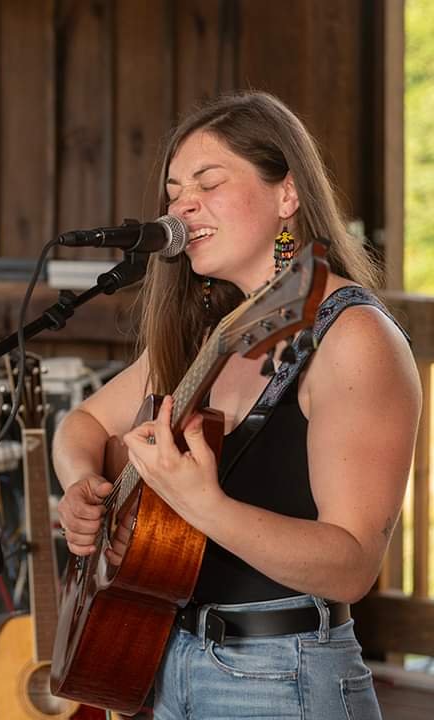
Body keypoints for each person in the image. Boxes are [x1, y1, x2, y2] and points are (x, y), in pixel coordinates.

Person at [53, 91, 421, 719]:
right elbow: (82, 422)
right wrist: (84, 486)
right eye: (173, 191)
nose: (182, 204)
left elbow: (352, 564)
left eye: (208, 182)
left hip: (282, 676)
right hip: (164, 664)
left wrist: (202, 504)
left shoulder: (353, 337)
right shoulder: (215, 332)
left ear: (288, 195)